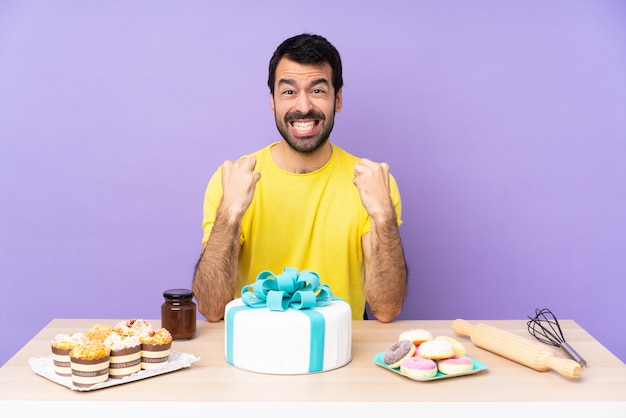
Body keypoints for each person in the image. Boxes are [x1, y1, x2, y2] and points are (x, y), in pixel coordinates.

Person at [192, 33, 407, 323]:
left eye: (317, 91)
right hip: (254, 353)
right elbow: (212, 308)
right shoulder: (232, 179)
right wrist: (229, 214)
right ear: (272, 102)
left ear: (338, 98)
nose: (303, 107)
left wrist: (383, 216)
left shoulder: (371, 182)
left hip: (339, 353)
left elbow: (386, 309)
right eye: (289, 92)